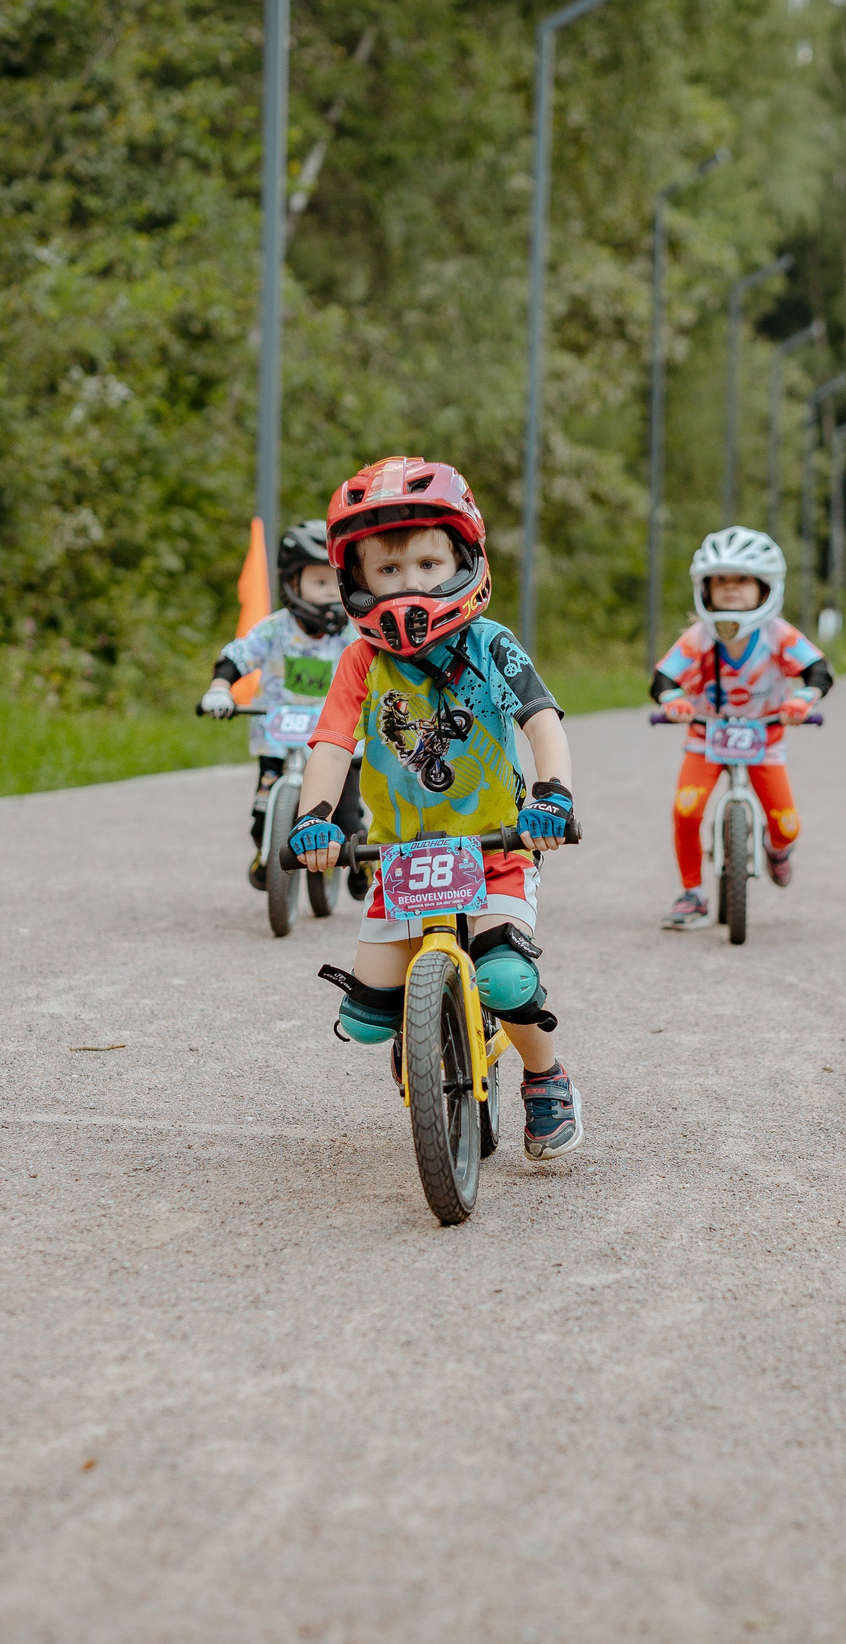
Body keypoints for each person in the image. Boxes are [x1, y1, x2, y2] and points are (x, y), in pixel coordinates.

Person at [285, 457, 584, 1160]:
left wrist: (553, 796)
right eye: (388, 570)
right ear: (356, 579)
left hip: (496, 846)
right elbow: (331, 745)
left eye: (427, 564)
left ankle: (544, 1077)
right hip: (402, 856)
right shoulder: (361, 661)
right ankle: (426, 1027)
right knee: (367, 1016)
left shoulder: (491, 644)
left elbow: (542, 722)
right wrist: (314, 818)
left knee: (505, 976)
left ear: (463, 560)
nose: (408, 584)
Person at [650, 527, 832, 929]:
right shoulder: (701, 636)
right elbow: (663, 678)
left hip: (765, 738)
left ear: (765, 588)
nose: (731, 588)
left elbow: (818, 670)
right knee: (686, 811)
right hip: (706, 738)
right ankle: (692, 893)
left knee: (787, 826)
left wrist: (804, 699)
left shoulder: (778, 634)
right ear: (706, 589)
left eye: (743, 579)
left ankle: (776, 850)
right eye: (721, 580)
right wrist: (672, 700)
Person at [200, 518, 366, 897]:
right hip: (279, 742)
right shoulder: (274, 629)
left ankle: (363, 861)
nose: (329, 593)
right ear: (293, 583)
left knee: (347, 816)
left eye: (336, 583)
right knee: (262, 816)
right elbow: (238, 656)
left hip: (338, 745)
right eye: (318, 582)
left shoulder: (352, 634)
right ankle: (266, 849)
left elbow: (377, 673)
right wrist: (220, 688)